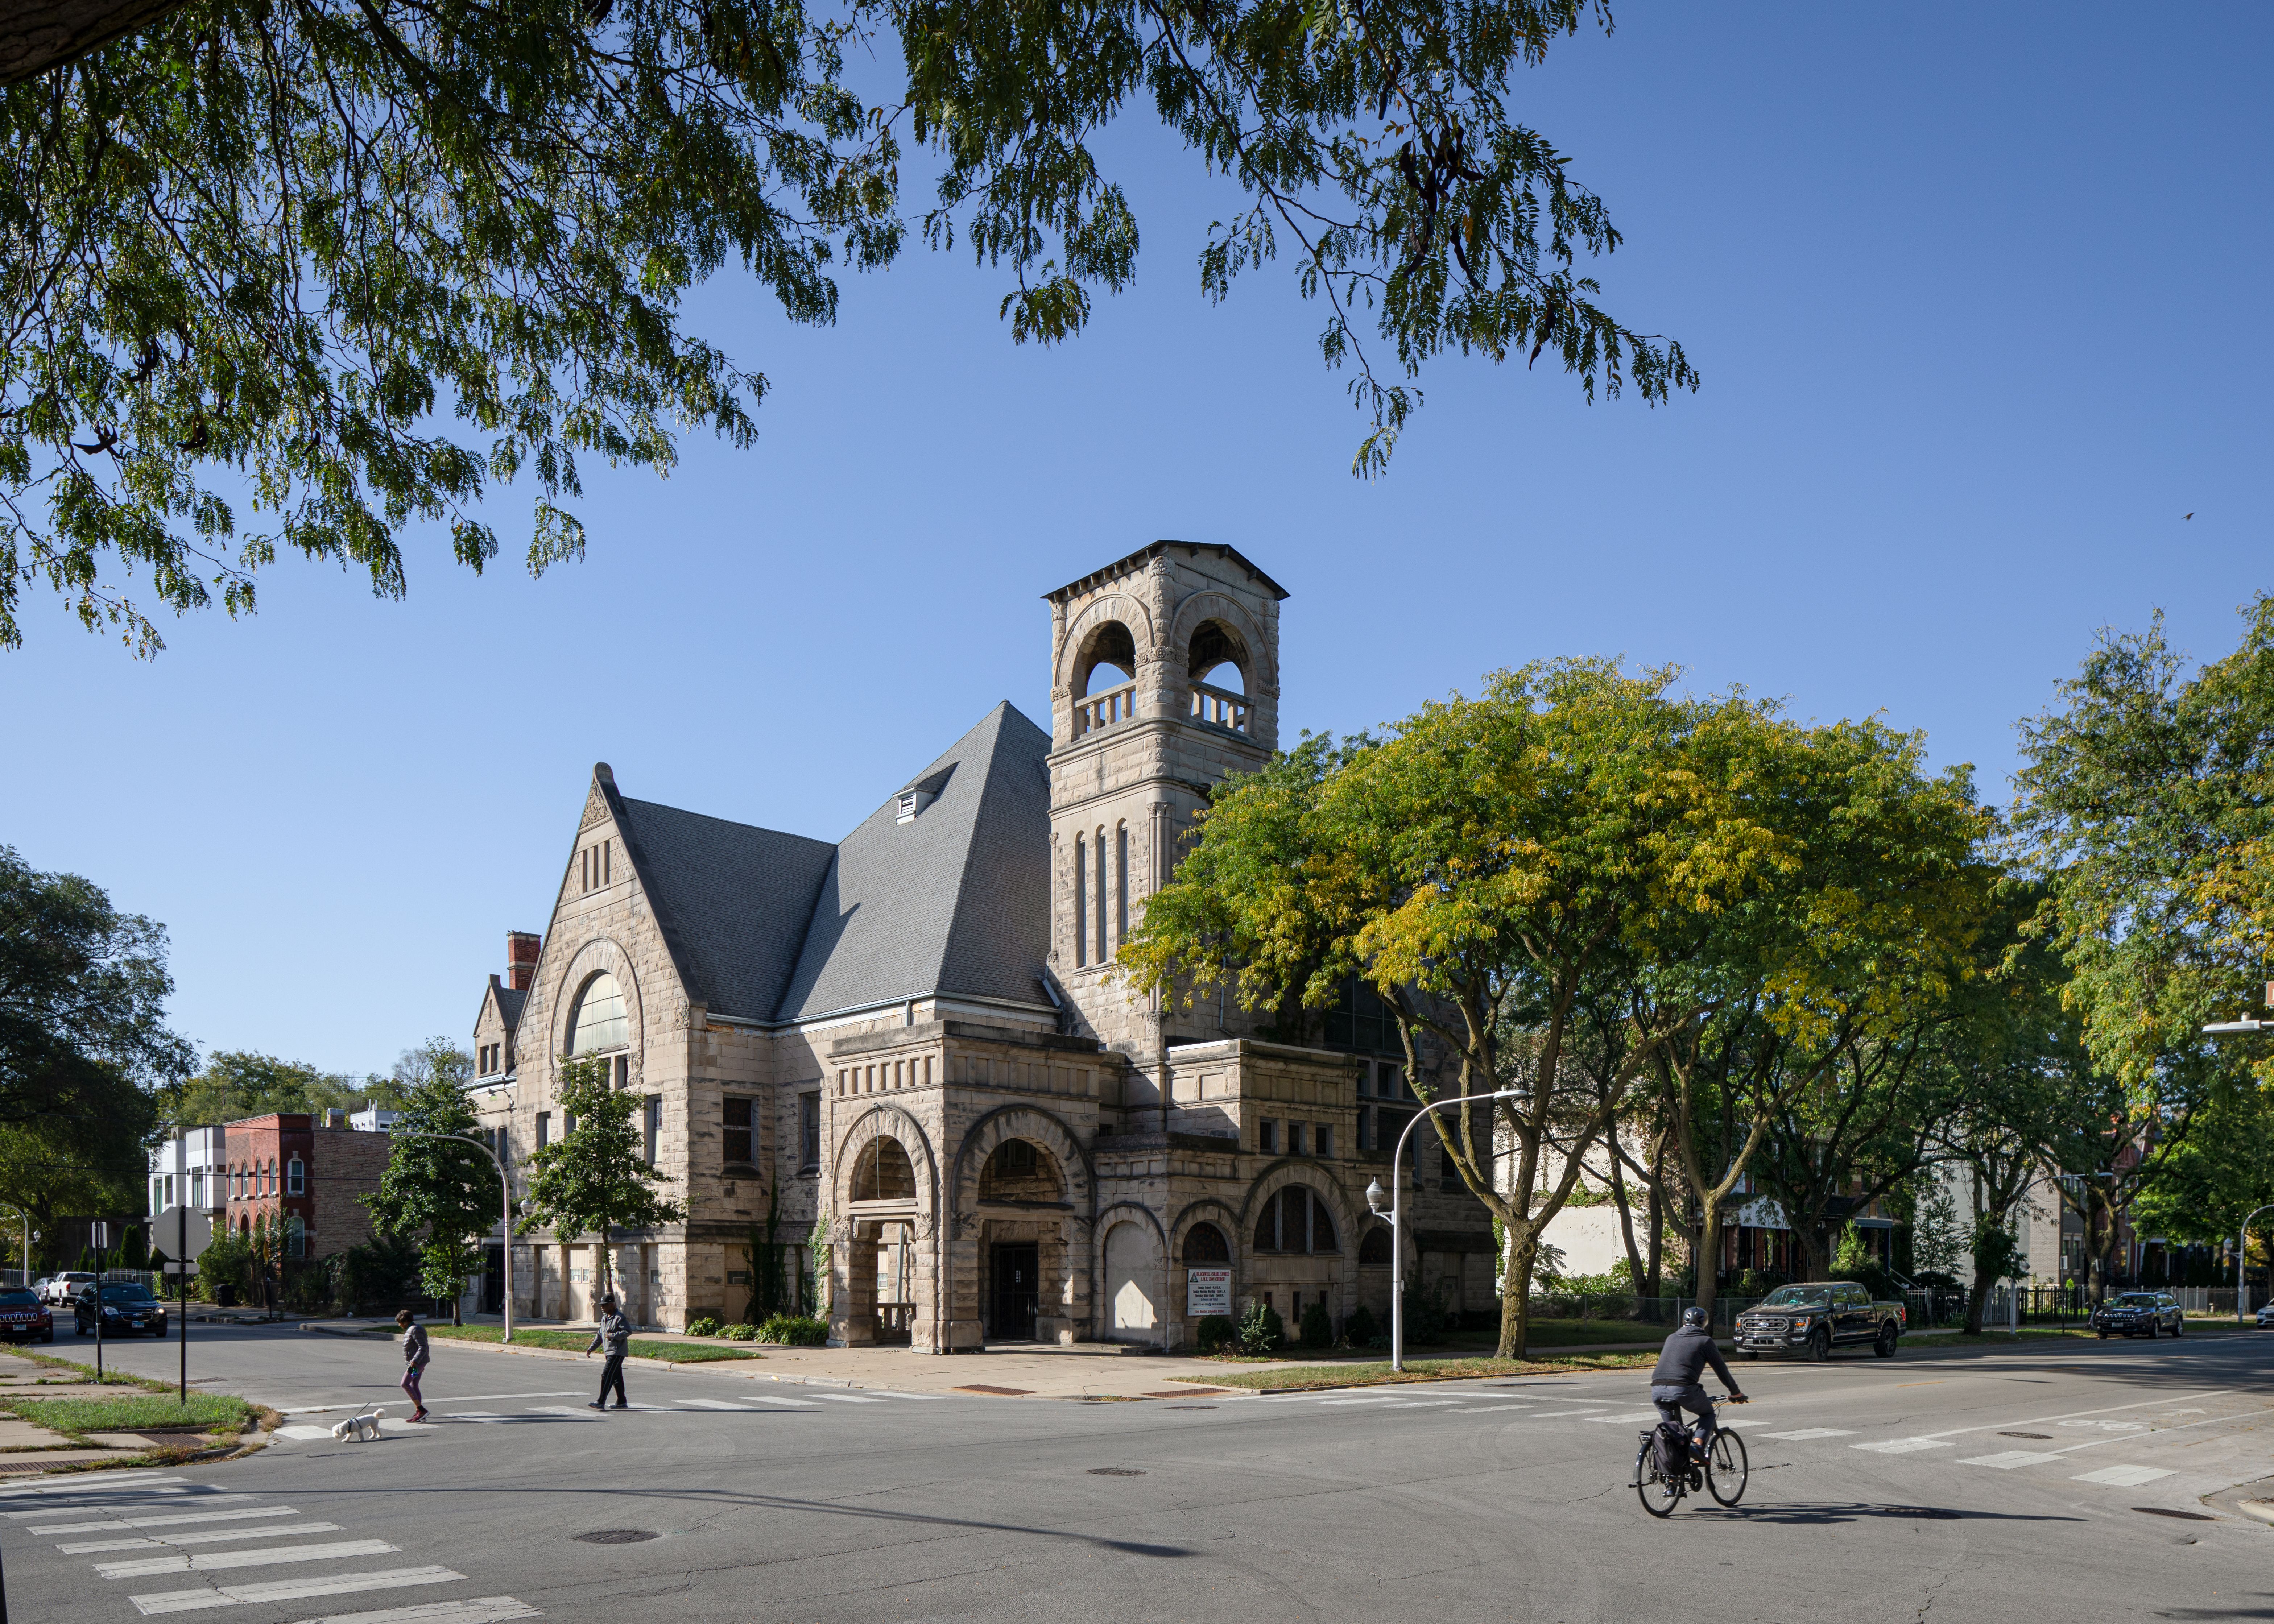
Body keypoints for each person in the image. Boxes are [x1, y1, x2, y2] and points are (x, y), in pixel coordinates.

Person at [1650, 1306, 1744, 1457]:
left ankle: (1674, 1477)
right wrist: (1736, 1393)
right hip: (1683, 1390)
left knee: (1673, 1435)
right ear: (1704, 1323)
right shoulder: (1705, 1341)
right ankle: (1697, 1445)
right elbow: (1722, 1371)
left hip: (1657, 1390)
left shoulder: (1672, 1337)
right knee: (1708, 1415)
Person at [586, 1293, 630, 1409]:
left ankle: (601, 1401)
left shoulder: (619, 1318)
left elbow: (628, 1331)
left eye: (605, 1305)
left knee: (606, 1374)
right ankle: (622, 1402)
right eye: (602, 1305)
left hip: (617, 1352)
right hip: (609, 1352)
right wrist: (592, 1348)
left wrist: (614, 1336)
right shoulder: (605, 1318)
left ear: (612, 1305)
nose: (602, 1307)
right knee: (616, 1377)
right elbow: (600, 1335)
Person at [397, 1309, 430, 1423]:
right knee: (414, 1384)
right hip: (417, 1364)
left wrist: (417, 1362)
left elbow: (423, 1347)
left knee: (405, 1384)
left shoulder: (415, 1329)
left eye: (400, 1322)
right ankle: (420, 1414)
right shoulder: (412, 1329)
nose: (399, 1325)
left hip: (416, 1364)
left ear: (406, 1322)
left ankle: (421, 1410)